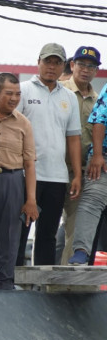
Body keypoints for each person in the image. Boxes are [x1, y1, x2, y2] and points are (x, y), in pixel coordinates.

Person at [16, 43, 81, 265]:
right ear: (38, 62)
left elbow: (73, 137)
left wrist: (77, 175)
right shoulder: (23, 89)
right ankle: (10, 282)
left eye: (57, 62)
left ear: (64, 66)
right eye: (48, 61)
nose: (51, 67)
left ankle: (41, 289)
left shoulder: (70, 97)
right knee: (20, 233)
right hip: (26, 175)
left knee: (47, 235)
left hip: (57, 176)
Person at [0, 73, 37, 289]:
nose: (14, 98)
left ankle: (4, 281)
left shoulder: (23, 123)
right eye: (9, 93)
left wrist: (31, 200)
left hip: (12, 180)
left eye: (18, 94)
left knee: (9, 234)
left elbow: (30, 163)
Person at [59, 47, 99, 264]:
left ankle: (66, 282)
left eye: (91, 66)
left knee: (74, 230)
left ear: (96, 71)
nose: (86, 70)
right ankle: (36, 282)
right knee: (44, 226)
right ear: (72, 65)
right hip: (54, 169)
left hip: (83, 173)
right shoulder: (59, 91)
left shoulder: (98, 100)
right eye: (81, 64)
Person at [68, 72, 107, 265]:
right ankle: (81, 251)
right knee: (92, 200)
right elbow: (100, 119)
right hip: (104, 155)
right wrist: (98, 154)